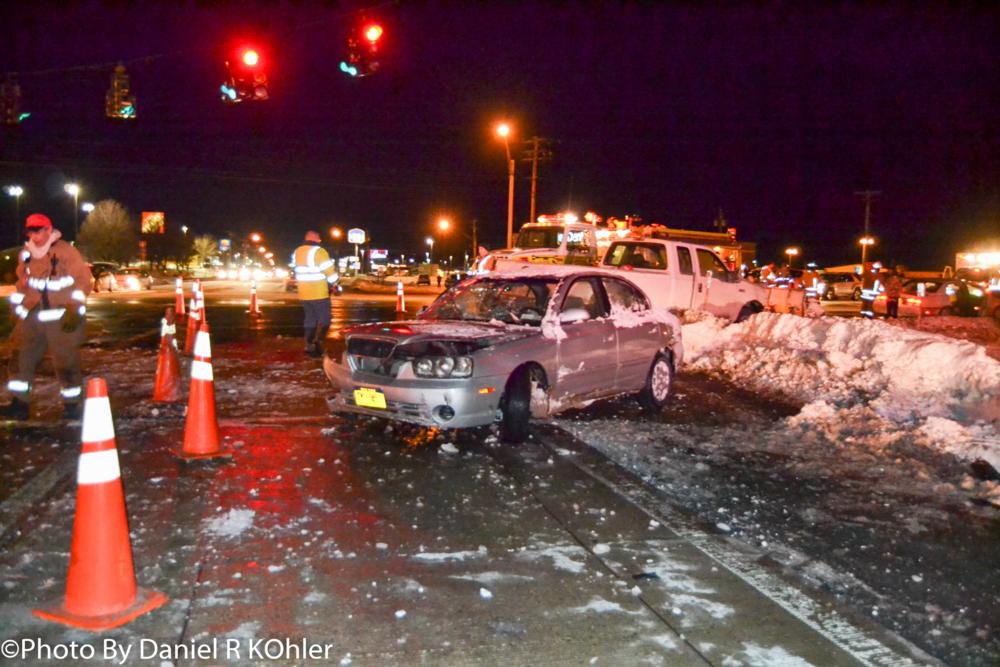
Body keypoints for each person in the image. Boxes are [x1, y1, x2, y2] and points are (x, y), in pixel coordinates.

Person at [1, 214, 92, 421]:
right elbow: (22, 283)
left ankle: (72, 406)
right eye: (31, 231)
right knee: (20, 359)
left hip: (61, 314)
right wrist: (17, 309)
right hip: (33, 313)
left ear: (49, 230)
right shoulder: (26, 254)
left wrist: (73, 307)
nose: (35, 235)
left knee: (65, 362)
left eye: (39, 230)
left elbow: (83, 281)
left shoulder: (65, 251)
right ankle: (19, 403)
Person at [291, 230, 339, 357]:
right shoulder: (319, 251)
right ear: (315, 238)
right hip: (318, 292)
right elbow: (329, 271)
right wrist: (336, 284)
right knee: (325, 319)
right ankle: (319, 344)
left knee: (310, 319)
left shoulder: (298, 251)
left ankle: (308, 345)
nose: (320, 241)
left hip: (304, 293)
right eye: (319, 238)